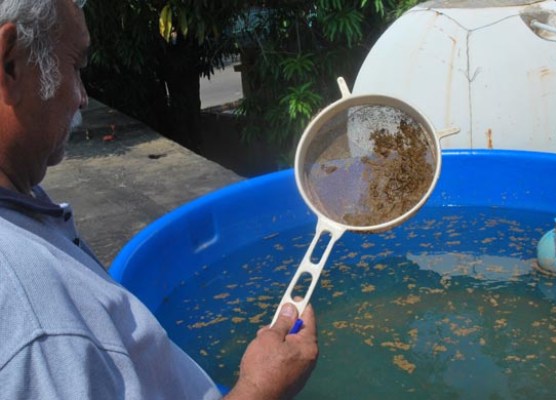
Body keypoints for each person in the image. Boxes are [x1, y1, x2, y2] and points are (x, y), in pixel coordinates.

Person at [0, 0, 318, 399]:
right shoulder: (37, 328)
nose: (83, 98)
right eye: (76, 66)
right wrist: (260, 387)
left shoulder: (21, 206)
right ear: (10, 63)